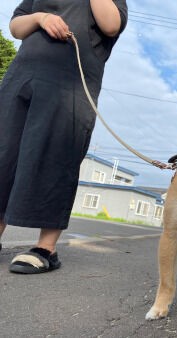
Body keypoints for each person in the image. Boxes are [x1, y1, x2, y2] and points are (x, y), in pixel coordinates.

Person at [0, 0, 128, 274]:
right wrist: (41, 18)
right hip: (23, 74)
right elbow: (16, 27)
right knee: (4, 153)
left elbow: (111, 24)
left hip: (70, 82)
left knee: (57, 155)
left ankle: (46, 247)